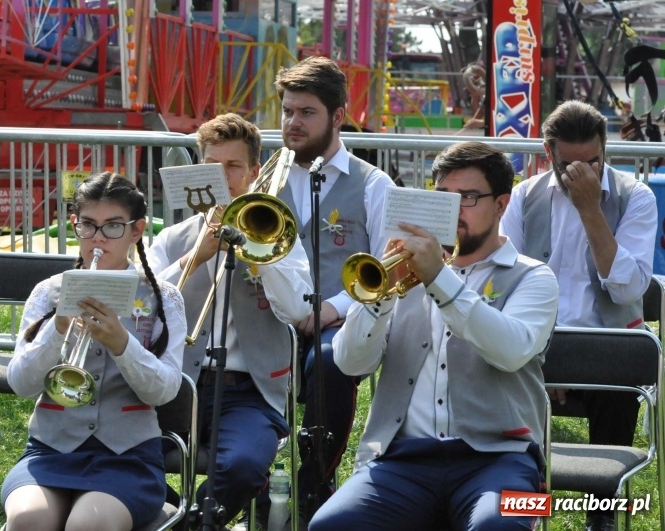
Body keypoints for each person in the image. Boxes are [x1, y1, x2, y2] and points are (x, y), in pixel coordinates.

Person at [309, 141, 559, 531]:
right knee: (331, 526)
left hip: (503, 457)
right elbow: (348, 362)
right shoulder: (403, 272)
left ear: (502, 204)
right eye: (444, 196)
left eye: (469, 197)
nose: (454, 210)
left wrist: (438, 279)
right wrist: (379, 300)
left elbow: (511, 351)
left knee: (500, 528)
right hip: (401, 458)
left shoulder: (533, 276)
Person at [147, 113, 313, 527]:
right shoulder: (173, 238)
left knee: (242, 465)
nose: (222, 178)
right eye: (212, 167)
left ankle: (191, 524)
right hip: (175, 384)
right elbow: (139, 306)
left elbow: (298, 311)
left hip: (250, 392)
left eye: (234, 167)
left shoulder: (279, 236)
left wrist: (262, 256)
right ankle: (173, 514)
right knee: (119, 452)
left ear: (255, 172)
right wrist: (195, 257)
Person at [500, 100, 657, 531]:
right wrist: (546, 354)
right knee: (493, 366)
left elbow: (628, 288)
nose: (581, 174)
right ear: (548, 154)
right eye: (569, 165)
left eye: (593, 162)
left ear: (605, 150)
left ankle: (600, 514)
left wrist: (590, 208)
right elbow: (504, 285)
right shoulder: (524, 196)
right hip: (538, 348)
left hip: (605, 348)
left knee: (620, 366)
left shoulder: (634, 196)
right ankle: (521, 508)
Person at [1, 172, 187, 531]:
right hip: (50, 450)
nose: (99, 238)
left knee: (88, 525)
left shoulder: (164, 298)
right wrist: (56, 331)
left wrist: (123, 344)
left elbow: (163, 391)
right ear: (74, 226)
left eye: (113, 227)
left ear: (136, 231)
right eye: (88, 225)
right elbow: (20, 384)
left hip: (128, 456)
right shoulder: (48, 292)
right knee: (28, 522)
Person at [273, 55, 397, 518]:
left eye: (307, 113)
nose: (293, 123)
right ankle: (259, 476)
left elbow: (388, 268)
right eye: (287, 111)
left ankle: (316, 480)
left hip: (341, 320)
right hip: (271, 316)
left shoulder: (373, 184)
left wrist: (335, 307)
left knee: (328, 360)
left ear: (338, 116)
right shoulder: (266, 179)